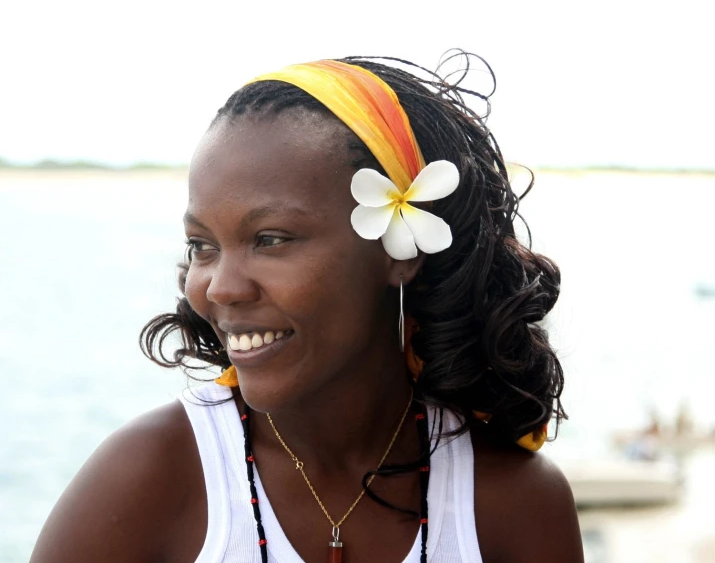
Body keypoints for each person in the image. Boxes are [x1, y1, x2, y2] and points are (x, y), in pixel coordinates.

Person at [31, 53, 583, 562]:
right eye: (203, 246)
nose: (221, 289)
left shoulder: (511, 503)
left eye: (271, 239)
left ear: (400, 250)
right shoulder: (151, 479)